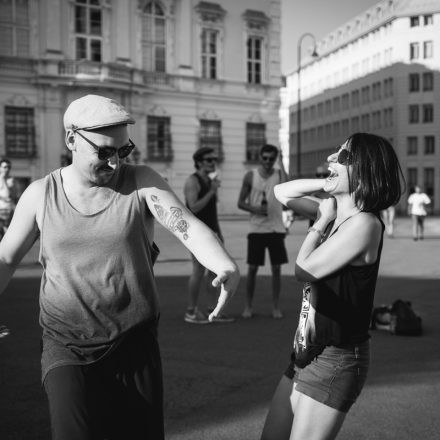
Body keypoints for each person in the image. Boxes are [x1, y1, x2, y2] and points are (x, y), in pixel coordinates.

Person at [0, 94, 240, 440]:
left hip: (134, 343)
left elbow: (184, 225)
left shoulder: (141, 180)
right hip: (66, 344)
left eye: (123, 151)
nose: (115, 163)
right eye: (104, 151)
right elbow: (6, 258)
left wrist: (223, 263)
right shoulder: (40, 194)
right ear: (72, 140)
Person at [261, 133, 404, 440]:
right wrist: (325, 187)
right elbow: (281, 191)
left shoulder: (365, 224)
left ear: (366, 170)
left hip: (335, 359)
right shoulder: (336, 214)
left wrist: (318, 224)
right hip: (305, 352)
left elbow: (304, 269)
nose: (331, 159)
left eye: (344, 157)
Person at [183, 146, 234, 324]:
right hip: (196, 233)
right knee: (198, 271)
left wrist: (218, 232)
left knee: (215, 271)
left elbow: (210, 209)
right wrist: (212, 190)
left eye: (215, 160)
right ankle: (191, 311)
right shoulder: (192, 181)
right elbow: (194, 207)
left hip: (212, 230)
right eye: (209, 160)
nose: (213, 163)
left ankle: (213, 310)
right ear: (199, 162)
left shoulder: (209, 180)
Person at [237, 144, 288, 319]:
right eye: (265, 158)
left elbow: (288, 188)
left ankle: (276, 307)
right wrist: (254, 209)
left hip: (275, 228)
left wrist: (282, 163)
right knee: (252, 269)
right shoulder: (250, 176)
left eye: (271, 159)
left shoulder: (279, 174)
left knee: (276, 269)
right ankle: (248, 306)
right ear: (260, 157)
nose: (268, 162)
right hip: (256, 229)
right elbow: (240, 202)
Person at [0, 157, 17, 240]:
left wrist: (10, 187)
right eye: (5, 167)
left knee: (7, 233)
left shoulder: (11, 180)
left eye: (8, 167)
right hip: (1, 209)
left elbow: (13, 196)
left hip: (8, 210)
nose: (7, 169)